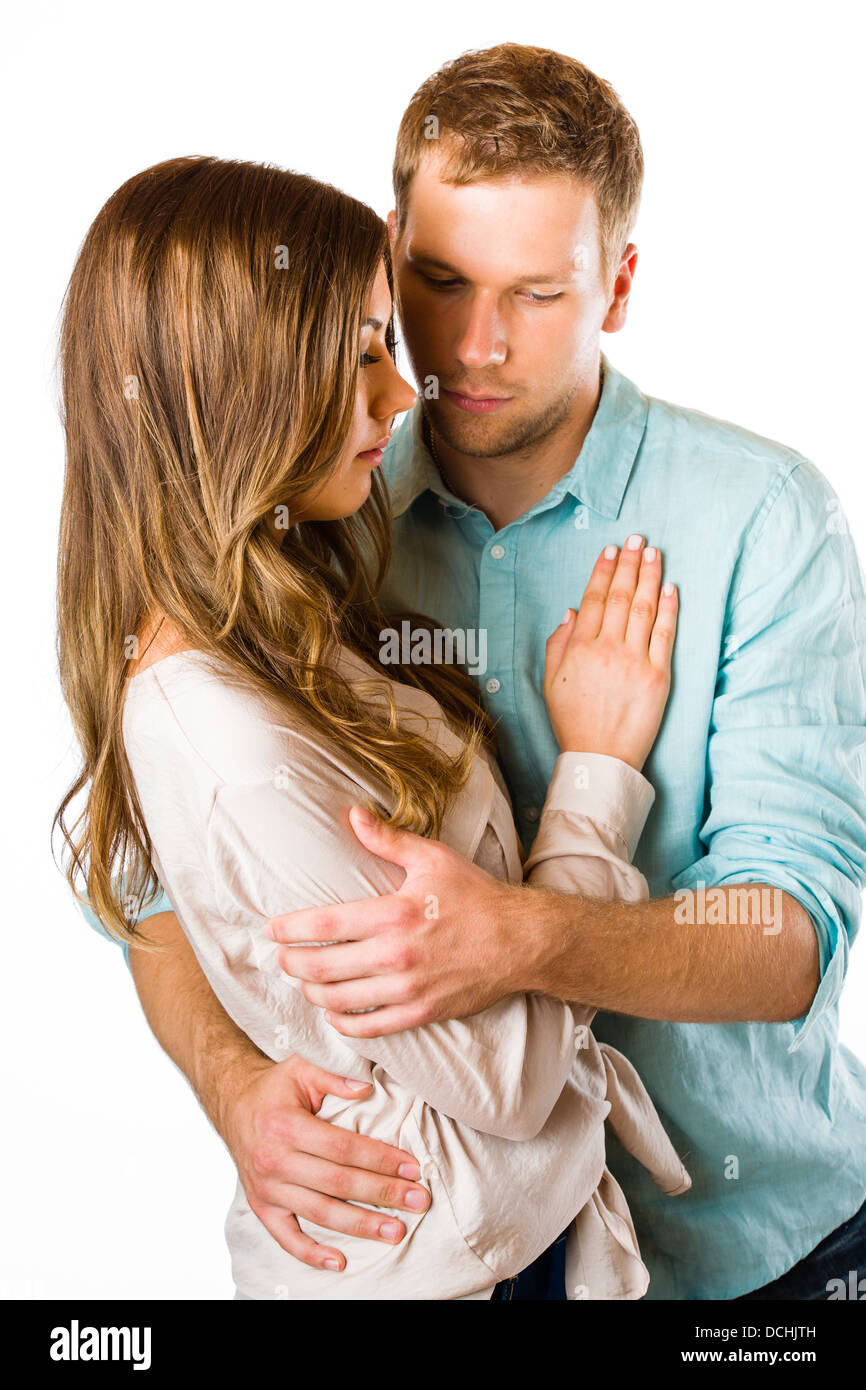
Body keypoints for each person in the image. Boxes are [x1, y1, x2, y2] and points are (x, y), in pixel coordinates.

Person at [77, 44, 866, 1301]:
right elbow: (146, 876)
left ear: (616, 284)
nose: (473, 346)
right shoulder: (298, 501)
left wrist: (520, 937)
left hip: (750, 1251)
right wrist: (233, 1086)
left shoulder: (764, 517)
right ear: (389, 247)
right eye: (438, 281)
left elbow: (786, 939)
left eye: (537, 294)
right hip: (460, 1263)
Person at [56, 155, 691, 1300]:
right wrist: (595, 770)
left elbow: (158, 887)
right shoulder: (227, 740)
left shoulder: (273, 596)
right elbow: (509, 1077)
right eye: (359, 354)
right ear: (231, 385)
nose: (407, 397)